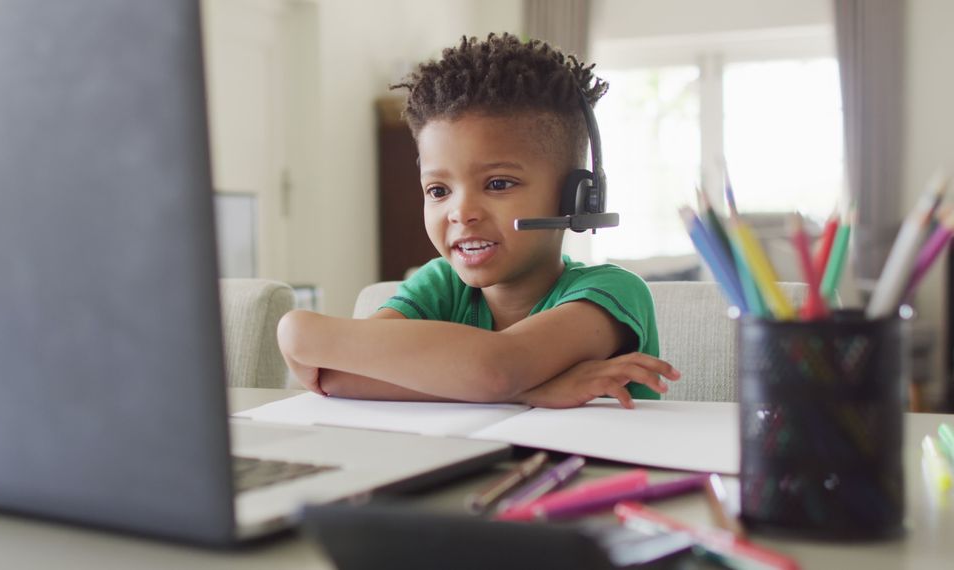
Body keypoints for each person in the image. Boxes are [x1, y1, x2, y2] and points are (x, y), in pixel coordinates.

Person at [277, 33, 679, 409]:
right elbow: (339, 376)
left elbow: (497, 368)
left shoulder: (614, 292)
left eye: (498, 183)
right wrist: (536, 391)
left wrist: (299, 332)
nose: (461, 212)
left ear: (574, 196)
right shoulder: (441, 284)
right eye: (438, 191)